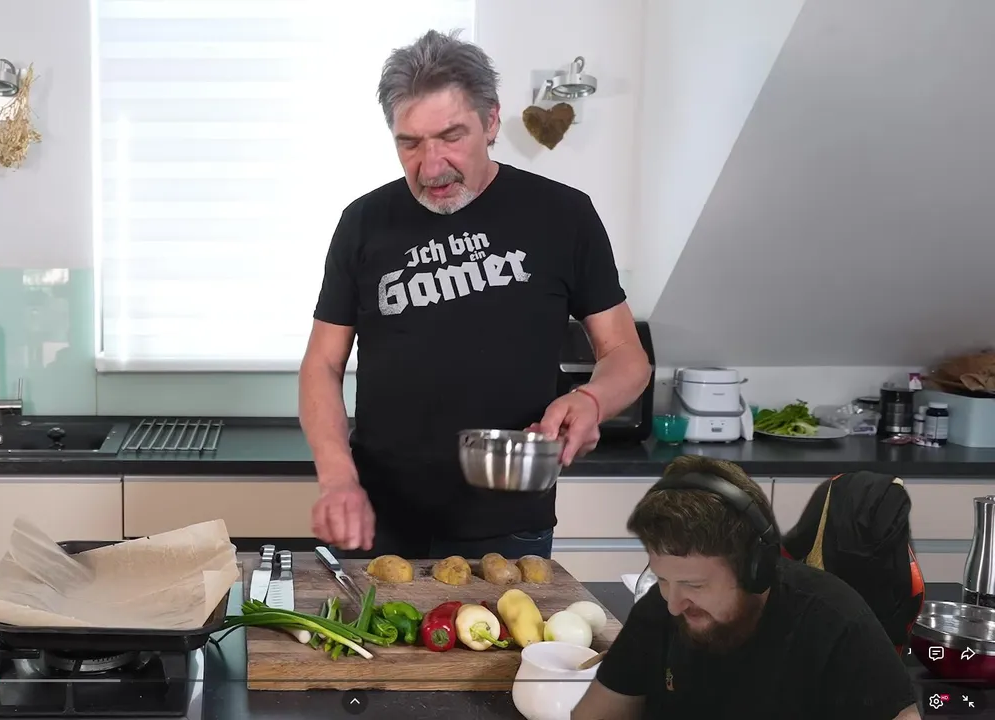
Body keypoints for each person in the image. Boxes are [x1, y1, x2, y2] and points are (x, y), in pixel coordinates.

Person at [299, 29, 652, 559]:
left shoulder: (564, 216)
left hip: (510, 522)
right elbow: (322, 364)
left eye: (451, 136)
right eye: (410, 143)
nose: (431, 166)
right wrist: (337, 479)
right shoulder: (363, 223)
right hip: (380, 519)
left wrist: (591, 400)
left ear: (490, 122)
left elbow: (626, 355)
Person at [572, 456, 920, 720]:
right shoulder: (660, 610)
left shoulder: (837, 622)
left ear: (756, 569)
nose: (674, 603)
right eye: (663, 579)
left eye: (695, 584)